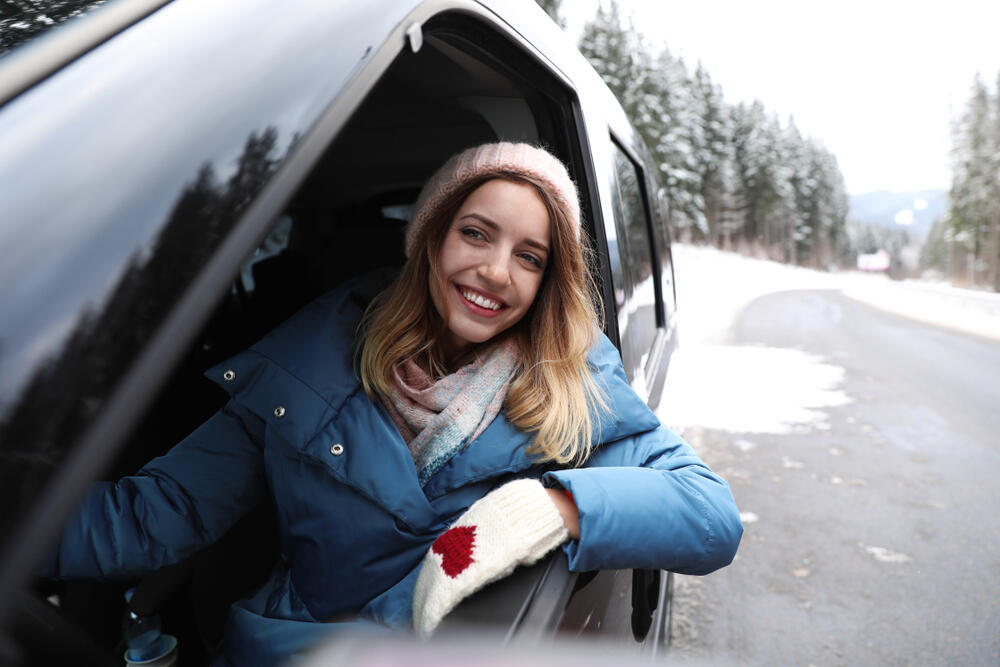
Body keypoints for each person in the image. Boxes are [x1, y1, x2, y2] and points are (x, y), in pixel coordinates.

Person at [44, 142, 742, 665]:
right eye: (476, 232)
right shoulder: (309, 362)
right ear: (430, 237)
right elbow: (155, 514)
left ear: (547, 280)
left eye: (530, 257)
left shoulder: (574, 392)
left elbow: (710, 514)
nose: (496, 271)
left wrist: (544, 509)